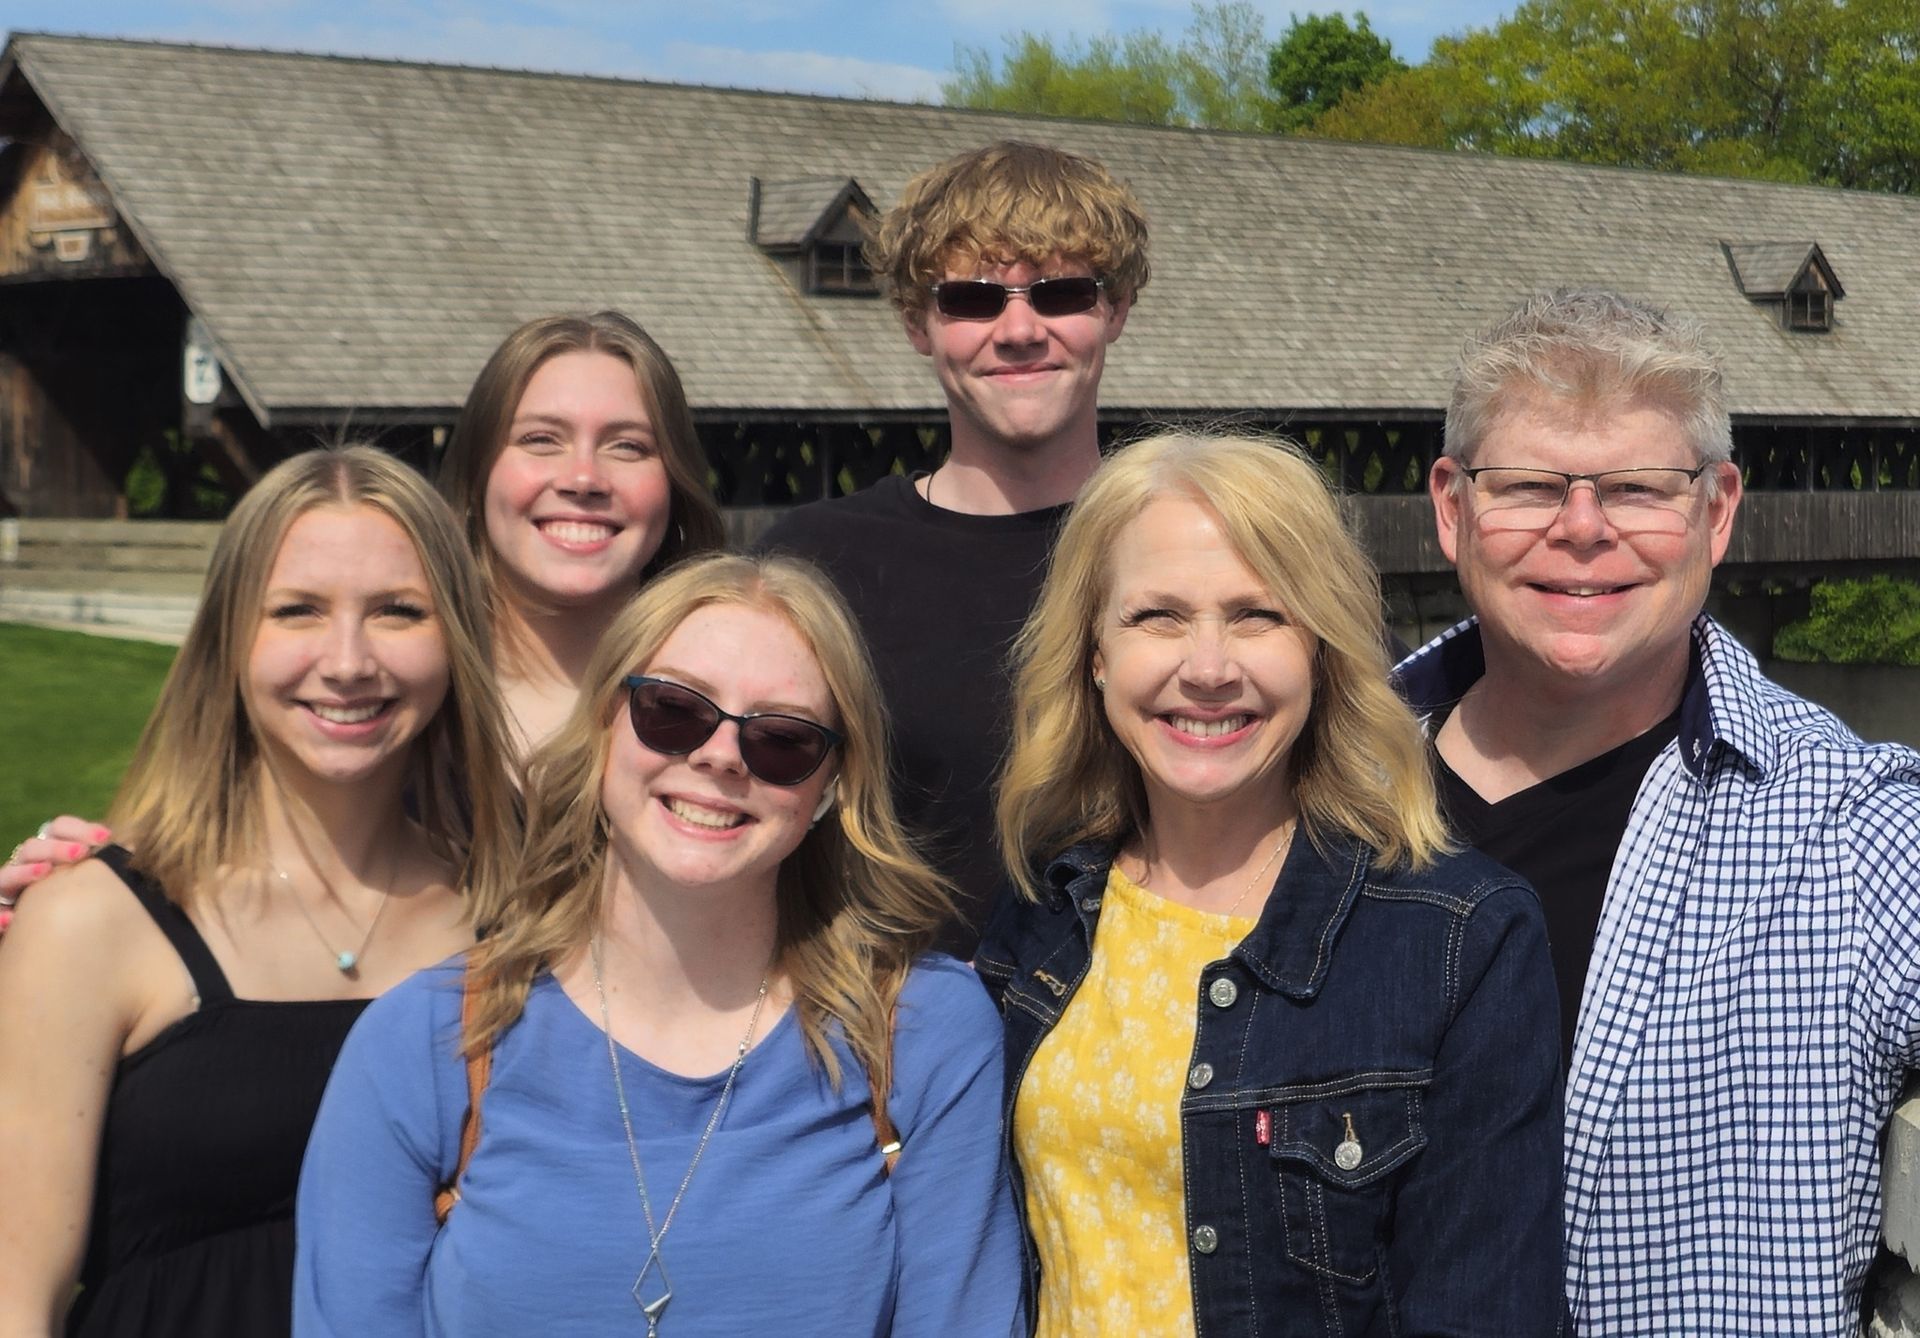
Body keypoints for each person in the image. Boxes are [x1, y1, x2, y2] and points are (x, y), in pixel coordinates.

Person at [294, 553, 1024, 1337]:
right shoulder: (426, 1041)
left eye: (782, 739)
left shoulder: (921, 1035)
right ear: (605, 722)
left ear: (831, 787)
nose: (719, 756)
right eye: (674, 710)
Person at [1394, 288, 1920, 1333]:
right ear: (1452, 508)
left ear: (1717, 512)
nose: (1582, 530)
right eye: (1533, 486)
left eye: (1636, 488)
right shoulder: (1315, 805)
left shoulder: (1855, 833)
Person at [976, 433, 1565, 1335]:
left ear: (1322, 650)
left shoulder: (1458, 940)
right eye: (1157, 617)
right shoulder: (1041, 916)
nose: (1209, 669)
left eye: (1258, 615)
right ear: (1095, 653)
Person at [0, 446, 521, 1337]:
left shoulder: (516, 921)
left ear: (457, 638)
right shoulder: (92, 921)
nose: (349, 661)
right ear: (229, 637)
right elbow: (17, 1295)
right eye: (298, 611)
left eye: (399, 611)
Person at [1, 309, 725, 898]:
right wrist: (87, 881)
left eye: (628, 447)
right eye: (540, 439)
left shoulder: (726, 707)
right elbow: (205, 825)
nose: (582, 477)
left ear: (676, 480)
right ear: (477, 471)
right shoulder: (383, 682)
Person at [760, 140, 1147, 954]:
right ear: (916, 324)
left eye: (1061, 294)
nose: (1017, 331)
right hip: (894, 1041)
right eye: (971, 300)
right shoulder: (816, 563)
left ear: (1114, 311)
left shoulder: (1192, 544)